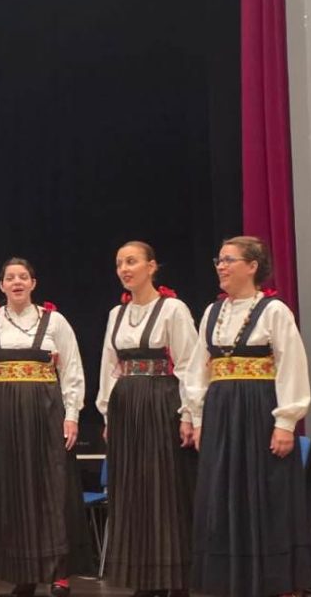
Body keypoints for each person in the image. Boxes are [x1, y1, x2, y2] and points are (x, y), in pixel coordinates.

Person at [188, 236, 311, 597]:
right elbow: (197, 370)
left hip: (259, 410)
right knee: (222, 493)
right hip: (221, 411)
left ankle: (274, 581)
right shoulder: (212, 313)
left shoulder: (274, 311)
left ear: (253, 266)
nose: (221, 266)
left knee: (265, 493)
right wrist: (197, 417)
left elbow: (291, 365)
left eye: (229, 259)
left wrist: (285, 422)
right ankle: (229, 580)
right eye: (219, 260)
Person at [0, 257, 92, 597]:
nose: (16, 282)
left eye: (23, 277)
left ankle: (59, 572)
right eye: (10, 277)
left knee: (52, 489)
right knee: (13, 491)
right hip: (2, 415)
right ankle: (23, 573)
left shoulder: (54, 321)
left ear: (33, 283)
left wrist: (72, 414)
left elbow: (72, 370)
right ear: (1, 285)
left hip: (46, 412)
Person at [96, 241, 197, 597]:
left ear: (152, 267)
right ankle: (144, 578)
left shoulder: (173, 309)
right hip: (126, 405)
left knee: (164, 488)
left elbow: (189, 363)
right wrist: (108, 413)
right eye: (119, 263)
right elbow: (109, 366)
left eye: (132, 261)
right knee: (132, 490)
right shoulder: (117, 314)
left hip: (160, 401)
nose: (124, 269)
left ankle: (175, 578)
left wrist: (189, 414)